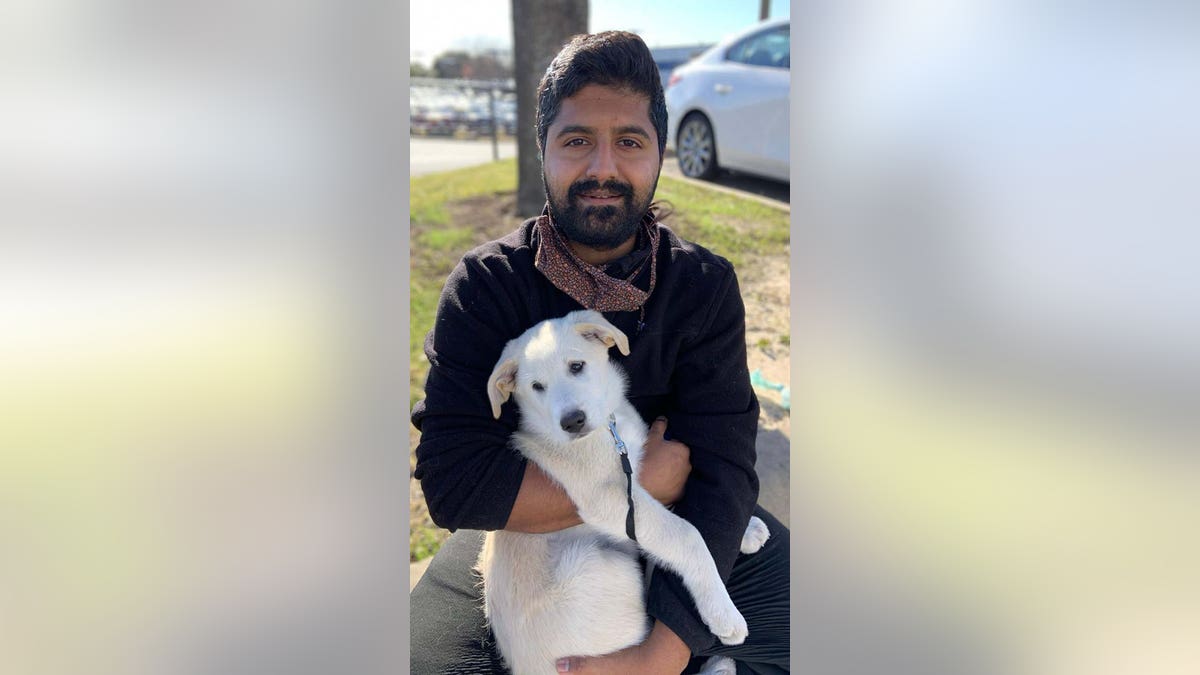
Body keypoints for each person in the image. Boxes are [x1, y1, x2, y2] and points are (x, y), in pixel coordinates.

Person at [410, 31, 789, 674]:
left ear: (660, 155)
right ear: (544, 151)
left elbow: (723, 465)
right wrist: (637, 482)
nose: (602, 168)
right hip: (527, 542)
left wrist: (655, 660)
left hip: (684, 515)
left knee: (797, 637)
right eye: (578, 139)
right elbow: (454, 486)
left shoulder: (702, 287)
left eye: (630, 142)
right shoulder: (485, 287)